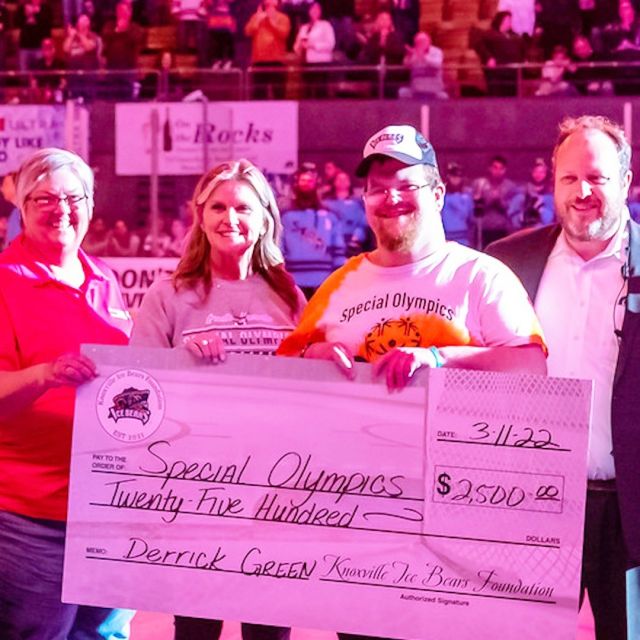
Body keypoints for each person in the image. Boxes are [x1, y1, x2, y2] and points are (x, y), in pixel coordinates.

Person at [130, 159, 305, 640]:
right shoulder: (168, 294)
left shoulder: (288, 295)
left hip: (274, 489)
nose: (231, 218)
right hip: (196, 491)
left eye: (244, 208)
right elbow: (135, 390)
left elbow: (308, 393)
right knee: (196, 627)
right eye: (219, 207)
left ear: (266, 217)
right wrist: (181, 364)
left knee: (268, 629)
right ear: (200, 216)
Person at [486, 115, 639, 640]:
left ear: (626, 180)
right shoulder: (507, 263)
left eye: (596, 178)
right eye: (569, 179)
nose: (583, 192)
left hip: (633, 511)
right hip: (536, 505)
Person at [278, 124, 546, 397]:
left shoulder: (482, 276)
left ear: (437, 195)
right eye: (378, 189)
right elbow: (282, 371)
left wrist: (438, 358)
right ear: (365, 200)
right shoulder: (339, 284)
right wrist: (310, 354)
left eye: (406, 186)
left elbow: (532, 368)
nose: (391, 198)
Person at [0, 148, 134, 638]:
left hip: (108, 507)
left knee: (103, 636)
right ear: (23, 208)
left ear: (91, 205)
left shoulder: (104, 279)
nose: (62, 209)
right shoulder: (4, 282)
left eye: (73, 197)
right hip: (30, 516)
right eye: (44, 199)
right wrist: (43, 375)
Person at [281, 161, 346, 299]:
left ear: (317, 184)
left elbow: (338, 250)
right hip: (294, 281)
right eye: (303, 180)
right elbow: (278, 248)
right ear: (296, 184)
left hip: (324, 281)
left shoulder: (330, 215)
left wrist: (339, 279)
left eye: (310, 180)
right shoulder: (285, 216)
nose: (306, 184)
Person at [245, 0, 291, 99]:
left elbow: (284, 34)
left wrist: (272, 22)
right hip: (259, 61)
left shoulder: (283, 18)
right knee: (259, 94)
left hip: (277, 61)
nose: (270, 5)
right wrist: (257, 20)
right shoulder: (257, 16)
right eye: (267, 3)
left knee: (279, 93)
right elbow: (248, 32)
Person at [293, 2, 335, 97]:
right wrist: (299, 46)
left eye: (317, 9)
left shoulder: (325, 25)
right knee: (307, 91)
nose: (315, 11)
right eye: (312, 9)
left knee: (320, 92)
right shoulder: (304, 27)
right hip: (306, 63)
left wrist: (313, 45)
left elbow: (331, 44)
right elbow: (296, 46)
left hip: (321, 63)